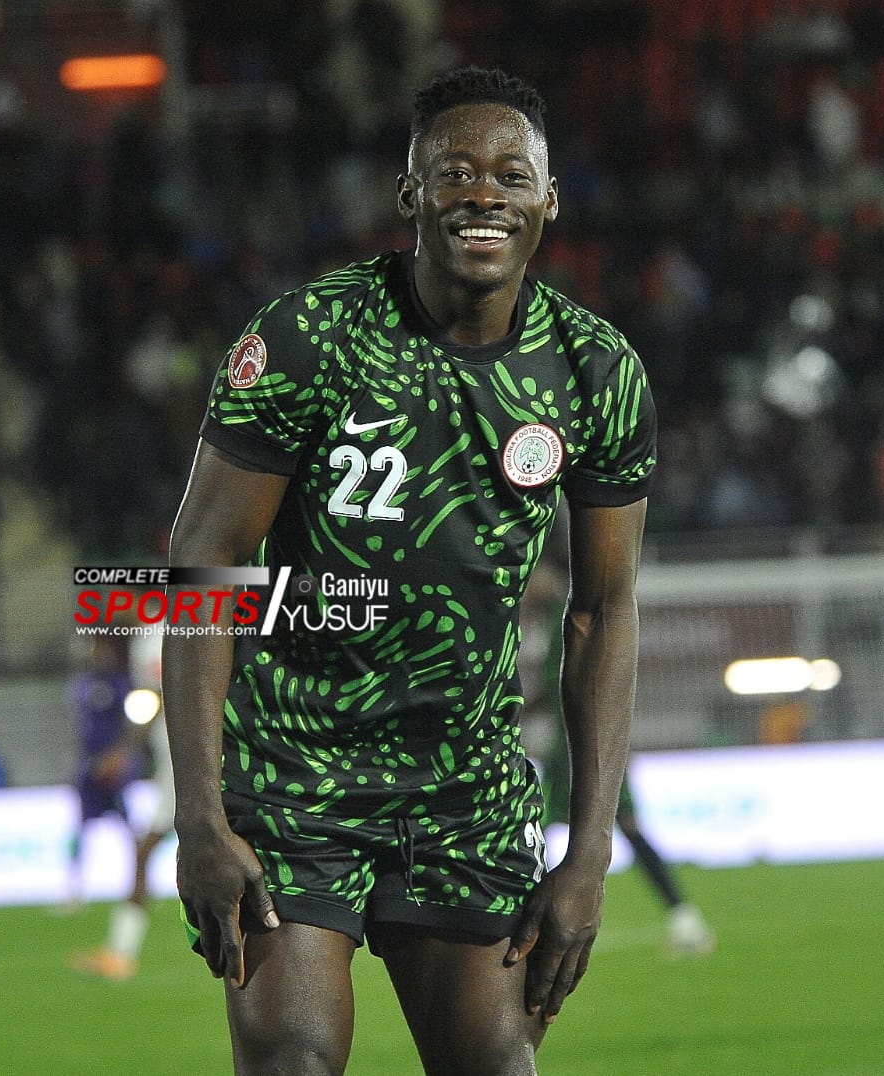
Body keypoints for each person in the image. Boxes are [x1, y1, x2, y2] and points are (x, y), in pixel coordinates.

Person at [164, 66, 657, 1075]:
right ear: (410, 194)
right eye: (455, 171)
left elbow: (603, 610)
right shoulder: (306, 337)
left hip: (465, 786)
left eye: (511, 175)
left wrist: (589, 854)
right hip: (295, 772)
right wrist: (200, 816)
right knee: (295, 1058)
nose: (483, 194)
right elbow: (204, 564)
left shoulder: (595, 371)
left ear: (548, 200)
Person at [71, 632, 176, 980]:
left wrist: (123, 750)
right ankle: (119, 953)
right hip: (173, 765)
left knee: (146, 852)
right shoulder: (149, 636)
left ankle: (120, 954)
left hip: (184, 766)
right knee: (146, 852)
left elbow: (161, 695)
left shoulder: (158, 635)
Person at [61, 636, 140, 913]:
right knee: (80, 828)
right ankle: (74, 889)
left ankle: (137, 884)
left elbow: (130, 723)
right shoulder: (81, 685)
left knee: (130, 828)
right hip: (90, 767)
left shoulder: (118, 684)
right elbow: (79, 728)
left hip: (113, 769)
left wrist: (118, 757)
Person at [615, 772, 716, 958]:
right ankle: (685, 919)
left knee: (631, 831)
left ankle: (685, 920)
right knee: (632, 834)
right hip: (573, 767)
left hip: (594, 769)